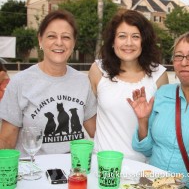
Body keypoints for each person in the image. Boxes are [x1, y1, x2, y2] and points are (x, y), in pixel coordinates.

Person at [127, 31, 189, 186]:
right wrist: (143, 120)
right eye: (178, 56)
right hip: (152, 183)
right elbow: (145, 150)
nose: (184, 62)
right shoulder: (162, 94)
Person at [0, 9, 97, 157]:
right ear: (40, 40)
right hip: (34, 172)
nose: (59, 42)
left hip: (75, 171)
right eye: (51, 36)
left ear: (74, 43)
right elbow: (7, 142)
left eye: (66, 37)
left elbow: (96, 131)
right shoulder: (20, 82)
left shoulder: (82, 81)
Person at [88, 9, 169, 162]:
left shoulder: (159, 75)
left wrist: (143, 121)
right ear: (113, 42)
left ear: (144, 42)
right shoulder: (98, 70)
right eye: (122, 36)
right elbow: (88, 114)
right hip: (104, 162)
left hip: (143, 166)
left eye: (135, 37)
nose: (128, 43)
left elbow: (160, 128)